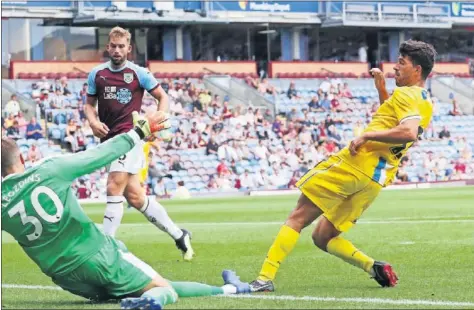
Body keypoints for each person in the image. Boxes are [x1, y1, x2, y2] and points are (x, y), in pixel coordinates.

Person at [1, 111, 250, 310]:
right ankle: (155, 302)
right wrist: (140, 131)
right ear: (21, 158)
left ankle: (230, 289)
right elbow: (100, 154)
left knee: (152, 282)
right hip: (97, 256)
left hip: (66, 278)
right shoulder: (49, 169)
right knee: (164, 289)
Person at [248, 40, 436, 292]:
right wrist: (381, 90)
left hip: (356, 164)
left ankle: (263, 279)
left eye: (401, 63)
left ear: (418, 70)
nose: (394, 68)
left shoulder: (405, 93)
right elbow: (393, 121)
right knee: (322, 236)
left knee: (297, 217)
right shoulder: (424, 100)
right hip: (374, 179)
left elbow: (408, 132)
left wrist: (366, 136)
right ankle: (372, 267)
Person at [84, 26, 194, 261]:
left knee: (114, 186)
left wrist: (159, 120)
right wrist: (93, 121)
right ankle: (179, 235)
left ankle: (106, 248)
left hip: (130, 137)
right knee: (134, 196)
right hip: (108, 140)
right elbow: (88, 105)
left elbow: (162, 97)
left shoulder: (139, 73)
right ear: (107, 47)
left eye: (121, 46)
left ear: (129, 49)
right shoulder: (97, 74)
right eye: (113, 46)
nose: (116, 50)